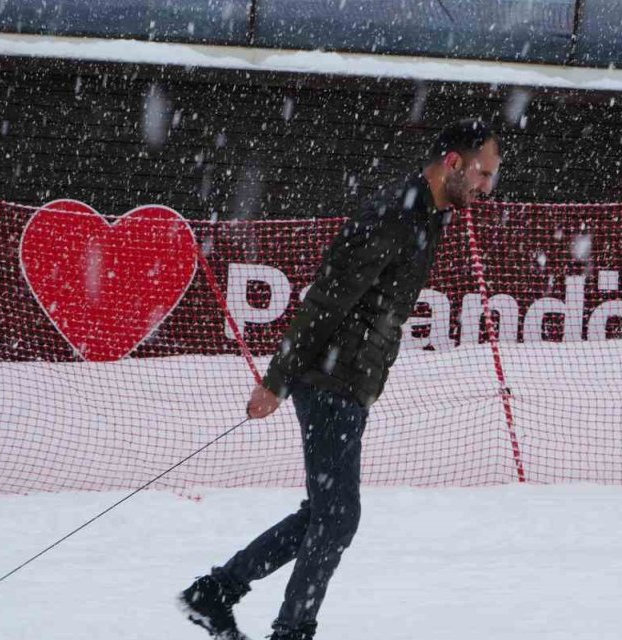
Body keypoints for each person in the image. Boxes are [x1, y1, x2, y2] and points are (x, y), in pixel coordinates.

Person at [179, 119, 503, 640]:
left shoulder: (428, 214)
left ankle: (215, 592)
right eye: (484, 174)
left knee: (325, 513)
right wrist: (277, 381)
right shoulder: (395, 215)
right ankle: (289, 628)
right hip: (328, 378)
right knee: (338, 516)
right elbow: (327, 296)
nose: (488, 188)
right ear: (454, 163)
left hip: (349, 381)